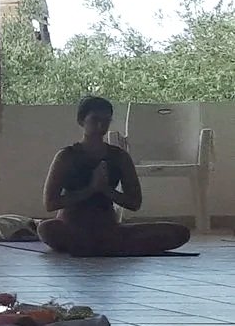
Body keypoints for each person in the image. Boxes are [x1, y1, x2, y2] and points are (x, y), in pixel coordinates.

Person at [37, 95, 193, 257]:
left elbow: (134, 203)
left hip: (108, 227)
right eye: (95, 120)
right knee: (46, 229)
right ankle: (106, 245)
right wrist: (90, 189)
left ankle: (99, 244)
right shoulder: (66, 156)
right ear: (81, 121)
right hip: (73, 226)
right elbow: (50, 203)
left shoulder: (119, 157)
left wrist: (106, 190)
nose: (100, 126)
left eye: (106, 121)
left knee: (179, 232)